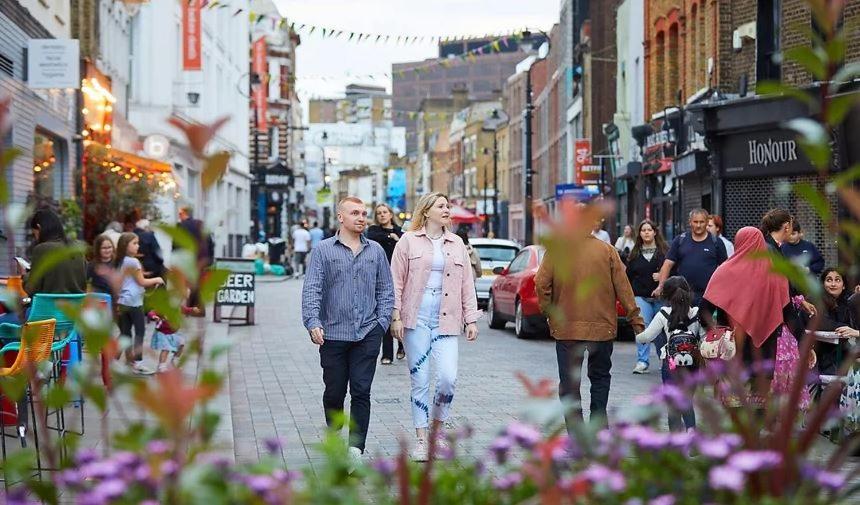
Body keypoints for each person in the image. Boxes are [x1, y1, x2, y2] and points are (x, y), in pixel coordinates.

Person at [301, 196, 394, 471]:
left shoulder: (375, 251)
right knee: (334, 392)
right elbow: (312, 288)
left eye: (364, 213)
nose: (361, 218)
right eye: (355, 213)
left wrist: (381, 324)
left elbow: (386, 290)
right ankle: (334, 436)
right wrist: (312, 321)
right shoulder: (323, 250)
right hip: (333, 334)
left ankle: (355, 450)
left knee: (361, 391)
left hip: (368, 332)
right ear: (340, 217)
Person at [390, 192, 480, 462]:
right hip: (416, 318)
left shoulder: (457, 244)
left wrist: (471, 318)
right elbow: (396, 281)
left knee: (447, 379)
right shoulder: (407, 241)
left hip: (447, 319)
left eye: (447, 206)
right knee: (420, 380)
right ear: (426, 211)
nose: (446, 210)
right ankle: (421, 440)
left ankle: (438, 436)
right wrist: (395, 317)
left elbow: (466, 283)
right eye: (441, 206)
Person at [534, 214, 644, 434]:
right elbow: (624, 288)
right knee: (601, 377)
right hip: (602, 327)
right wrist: (635, 319)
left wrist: (549, 311)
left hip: (567, 329)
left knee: (569, 384)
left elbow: (541, 283)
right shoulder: (608, 251)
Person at [702, 227, 805, 407]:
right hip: (765, 351)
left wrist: (714, 329)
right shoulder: (776, 274)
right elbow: (789, 315)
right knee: (759, 403)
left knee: (733, 404)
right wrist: (805, 343)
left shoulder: (724, 271)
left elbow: (704, 312)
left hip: (732, 349)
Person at [636, 276, 704, 431]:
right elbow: (705, 337)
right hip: (692, 365)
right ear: (688, 293)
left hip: (671, 364)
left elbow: (647, 337)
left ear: (665, 295)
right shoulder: (696, 313)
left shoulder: (663, 314)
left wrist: (637, 336)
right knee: (687, 401)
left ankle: (675, 442)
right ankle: (691, 433)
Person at [654, 209, 727, 306]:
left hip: (708, 296)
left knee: (705, 320)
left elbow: (725, 268)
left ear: (706, 223)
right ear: (690, 222)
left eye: (702, 222)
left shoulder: (717, 242)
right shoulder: (680, 240)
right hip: (682, 294)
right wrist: (661, 286)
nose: (698, 225)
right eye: (695, 222)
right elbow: (667, 264)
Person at [115, 232, 164, 375]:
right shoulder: (133, 262)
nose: (138, 246)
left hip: (123, 301)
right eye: (134, 243)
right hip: (134, 302)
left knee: (125, 333)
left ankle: (117, 361)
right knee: (140, 332)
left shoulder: (121, 260)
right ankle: (138, 363)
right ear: (125, 245)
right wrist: (157, 279)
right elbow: (141, 282)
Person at [625, 219, 669, 374]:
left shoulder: (664, 252)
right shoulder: (634, 254)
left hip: (661, 298)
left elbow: (674, 272)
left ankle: (663, 358)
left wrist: (663, 275)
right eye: (643, 230)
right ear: (640, 234)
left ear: (655, 232)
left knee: (661, 330)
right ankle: (642, 361)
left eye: (649, 230)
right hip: (640, 296)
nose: (646, 233)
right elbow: (627, 276)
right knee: (642, 327)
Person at [366, 203, 406, 364]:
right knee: (385, 314)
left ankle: (402, 345)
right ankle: (387, 354)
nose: (382, 215)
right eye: (379, 213)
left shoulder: (400, 231)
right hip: (381, 278)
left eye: (385, 212)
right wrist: (392, 238)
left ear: (390, 214)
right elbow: (375, 238)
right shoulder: (374, 231)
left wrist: (397, 237)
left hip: (399, 277)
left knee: (400, 313)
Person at [24, 209, 86, 296]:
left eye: (35, 234)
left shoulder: (41, 249)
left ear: (39, 227)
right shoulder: (77, 247)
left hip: (48, 308)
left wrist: (25, 276)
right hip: (75, 308)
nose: (36, 238)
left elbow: (32, 290)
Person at [816, 268, 859, 376]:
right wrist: (847, 328)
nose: (833, 284)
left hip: (847, 350)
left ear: (844, 285)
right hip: (822, 351)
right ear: (823, 284)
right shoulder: (814, 300)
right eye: (829, 280)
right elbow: (823, 323)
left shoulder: (849, 302)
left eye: (837, 280)